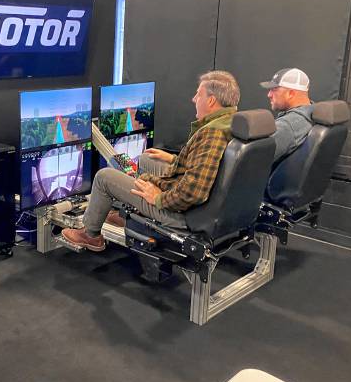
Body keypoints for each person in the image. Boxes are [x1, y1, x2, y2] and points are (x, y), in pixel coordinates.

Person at [62, 71, 240, 252]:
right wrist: (174, 159)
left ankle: (90, 235)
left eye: (198, 94)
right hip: (196, 200)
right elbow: (210, 165)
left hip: (181, 213)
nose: (194, 99)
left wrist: (158, 198)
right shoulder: (230, 122)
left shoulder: (212, 133)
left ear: (211, 101)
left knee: (104, 177)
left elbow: (193, 192)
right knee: (147, 158)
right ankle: (132, 210)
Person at [259, 68, 314, 162]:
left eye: (274, 89)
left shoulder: (287, 126)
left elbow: (255, 160)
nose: (269, 95)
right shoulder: (313, 112)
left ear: (290, 94)